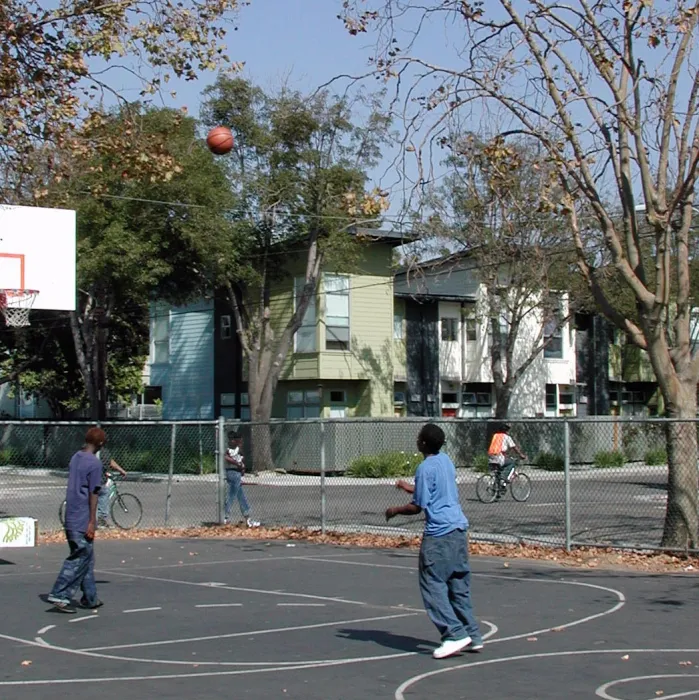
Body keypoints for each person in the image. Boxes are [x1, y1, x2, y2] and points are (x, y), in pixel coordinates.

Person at [386, 423, 483, 659]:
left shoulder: (424, 467)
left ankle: (454, 634)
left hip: (438, 535)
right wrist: (406, 486)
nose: (417, 440)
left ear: (423, 443)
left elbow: (418, 506)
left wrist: (395, 510)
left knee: (433, 584)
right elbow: (430, 491)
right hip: (458, 530)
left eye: (419, 438)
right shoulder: (446, 462)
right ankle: (472, 634)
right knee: (458, 585)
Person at [47, 427, 106, 613]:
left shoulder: (76, 457)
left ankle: (90, 598)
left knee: (86, 557)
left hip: (71, 515)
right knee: (80, 557)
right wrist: (91, 521)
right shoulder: (95, 464)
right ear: (101, 444)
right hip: (82, 518)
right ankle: (60, 594)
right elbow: (93, 493)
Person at [223, 431, 260, 528]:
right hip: (232, 472)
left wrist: (243, 467)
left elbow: (242, 460)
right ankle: (225, 516)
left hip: (238, 473)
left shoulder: (239, 449)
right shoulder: (228, 449)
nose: (239, 442)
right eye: (237, 440)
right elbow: (226, 457)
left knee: (240, 495)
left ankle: (247, 518)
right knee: (232, 495)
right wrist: (236, 464)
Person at [487, 423, 527, 498]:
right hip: (499, 457)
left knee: (498, 471)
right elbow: (514, 447)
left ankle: (497, 491)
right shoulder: (506, 437)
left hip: (491, 457)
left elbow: (498, 447)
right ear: (506, 431)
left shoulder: (495, 436)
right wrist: (521, 455)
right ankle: (503, 479)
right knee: (511, 463)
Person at [96, 446, 127, 528]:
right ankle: (101, 520)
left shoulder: (88, 449)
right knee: (104, 493)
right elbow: (110, 462)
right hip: (98, 480)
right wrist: (121, 470)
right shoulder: (102, 451)